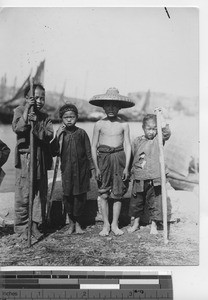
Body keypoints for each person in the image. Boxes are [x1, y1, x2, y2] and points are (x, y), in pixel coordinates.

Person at [90, 87, 135, 236]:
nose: (111, 108)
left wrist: (127, 167)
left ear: (119, 107)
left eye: (114, 105)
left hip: (119, 158)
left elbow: (127, 145)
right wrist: (96, 167)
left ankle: (115, 224)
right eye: (108, 105)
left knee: (118, 193)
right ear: (103, 106)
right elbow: (93, 146)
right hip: (103, 160)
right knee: (103, 193)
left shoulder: (124, 124)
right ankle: (105, 225)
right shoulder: (99, 124)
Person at [12, 83, 54, 241]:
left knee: (39, 192)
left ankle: (35, 225)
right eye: (35, 97)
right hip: (26, 158)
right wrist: (26, 116)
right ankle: (22, 228)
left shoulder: (44, 116)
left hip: (40, 158)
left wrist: (36, 124)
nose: (39, 101)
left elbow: (49, 135)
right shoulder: (19, 110)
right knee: (24, 192)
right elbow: (18, 128)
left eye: (42, 98)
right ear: (27, 98)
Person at [53, 103, 94, 234]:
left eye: (72, 116)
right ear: (61, 119)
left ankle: (78, 224)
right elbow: (54, 151)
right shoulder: (61, 134)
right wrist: (58, 135)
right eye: (66, 117)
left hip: (81, 171)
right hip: (67, 171)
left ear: (77, 117)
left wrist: (92, 168)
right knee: (68, 196)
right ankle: (71, 224)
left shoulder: (82, 133)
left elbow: (88, 152)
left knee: (80, 197)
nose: (69, 119)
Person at [128, 112, 171, 234]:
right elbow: (133, 157)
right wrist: (131, 171)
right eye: (149, 129)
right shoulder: (137, 141)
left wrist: (162, 122)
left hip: (155, 178)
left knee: (155, 202)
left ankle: (154, 224)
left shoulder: (158, 140)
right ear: (143, 128)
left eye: (154, 129)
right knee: (136, 202)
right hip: (140, 177)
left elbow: (166, 133)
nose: (152, 132)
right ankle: (136, 223)